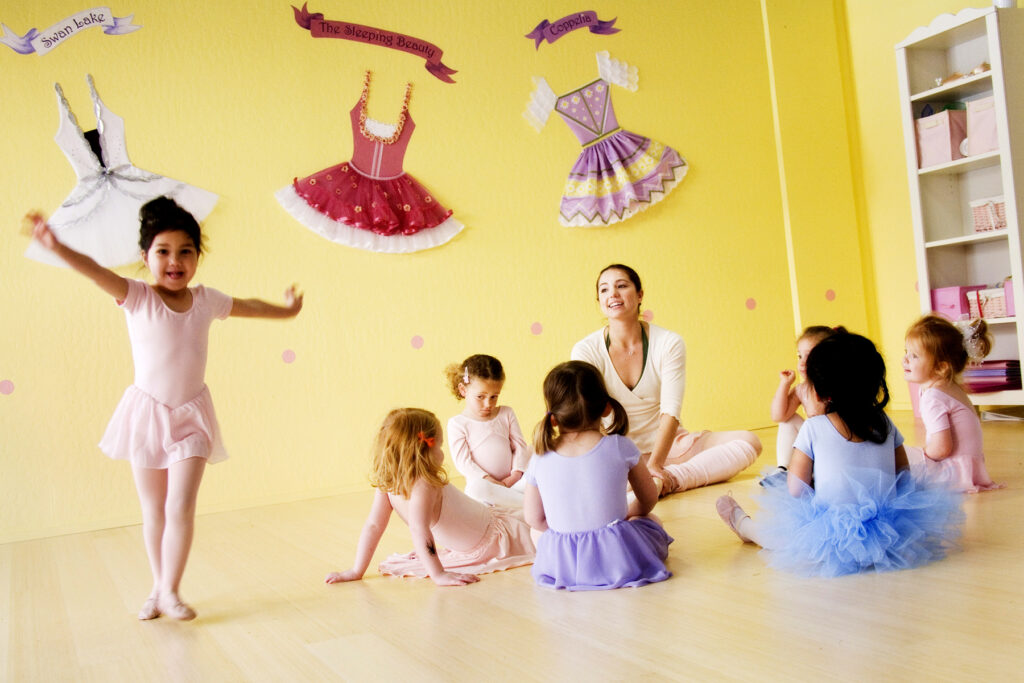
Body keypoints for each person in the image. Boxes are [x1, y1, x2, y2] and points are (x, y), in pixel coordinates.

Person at [27, 197, 303, 620]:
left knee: (180, 507)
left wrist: (287, 310)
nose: (175, 261)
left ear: (197, 257)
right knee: (153, 510)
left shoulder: (206, 300)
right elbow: (96, 272)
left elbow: (249, 305)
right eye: (163, 251)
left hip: (192, 416)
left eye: (185, 251)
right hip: (147, 415)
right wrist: (56, 246)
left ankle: (171, 591)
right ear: (145, 257)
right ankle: (157, 588)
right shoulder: (137, 297)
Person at [716, 331, 964, 577]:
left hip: (831, 535)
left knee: (783, 538)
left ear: (819, 391)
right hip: (888, 532)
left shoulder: (813, 427)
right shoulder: (885, 422)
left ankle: (745, 526)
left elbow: (796, 489)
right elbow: (904, 476)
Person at [571, 264, 761, 495]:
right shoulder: (585, 350)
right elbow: (589, 417)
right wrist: (612, 459)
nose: (613, 294)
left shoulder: (669, 343)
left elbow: (671, 411)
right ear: (599, 300)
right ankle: (647, 482)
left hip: (670, 449)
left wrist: (655, 465)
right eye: (604, 289)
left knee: (749, 441)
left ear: (640, 295)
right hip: (618, 454)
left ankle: (669, 479)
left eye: (621, 286)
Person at [325, 408, 534, 587]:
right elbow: (399, 528)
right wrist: (438, 574)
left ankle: (534, 474)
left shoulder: (394, 484)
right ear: (423, 451)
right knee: (536, 529)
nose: (442, 453)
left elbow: (377, 526)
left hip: (494, 527)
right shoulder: (421, 485)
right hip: (488, 540)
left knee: (532, 522)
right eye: (439, 446)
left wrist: (357, 570)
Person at [524, 361, 672, 590]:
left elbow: (534, 519)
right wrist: (626, 516)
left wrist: (567, 538)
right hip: (616, 559)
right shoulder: (621, 446)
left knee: (536, 532)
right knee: (653, 522)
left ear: (553, 418)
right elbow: (648, 499)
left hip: (563, 565)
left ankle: (570, 568)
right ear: (606, 408)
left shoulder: (539, 457)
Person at [903, 315, 1003, 492]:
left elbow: (942, 448)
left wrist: (922, 453)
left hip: (951, 473)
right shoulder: (950, 388)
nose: (905, 360)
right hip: (969, 469)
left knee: (899, 454)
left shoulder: (933, 397)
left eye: (914, 356)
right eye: (906, 352)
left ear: (941, 367)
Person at [445, 354, 530, 507]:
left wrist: (515, 475)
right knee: (475, 489)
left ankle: (519, 501)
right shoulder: (457, 424)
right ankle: (524, 503)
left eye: (494, 397)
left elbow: (519, 447)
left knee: (536, 454)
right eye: (480, 397)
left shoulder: (506, 413)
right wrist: (490, 481)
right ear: (463, 390)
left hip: (514, 483)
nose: (488, 404)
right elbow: (464, 463)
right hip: (486, 488)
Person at [769, 326, 842, 473]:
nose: (802, 363)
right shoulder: (803, 389)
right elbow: (778, 416)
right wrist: (784, 384)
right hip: (816, 448)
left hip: (839, 449)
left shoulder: (840, 385)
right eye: (799, 356)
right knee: (788, 420)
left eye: (809, 356)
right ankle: (783, 469)